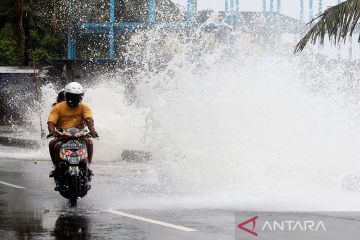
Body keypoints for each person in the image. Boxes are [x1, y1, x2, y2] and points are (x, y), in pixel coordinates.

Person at [48, 82, 98, 190]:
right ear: (66, 96)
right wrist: (52, 131)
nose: (75, 99)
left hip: (79, 134)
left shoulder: (85, 107)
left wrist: (92, 131)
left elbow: (89, 119)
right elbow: (51, 122)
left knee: (89, 142)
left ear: (81, 97)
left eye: (77, 97)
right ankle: (56, 168)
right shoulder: (58, 107)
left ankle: (88, 167)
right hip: (62, 135)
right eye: (72, 97)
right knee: (54, 144)